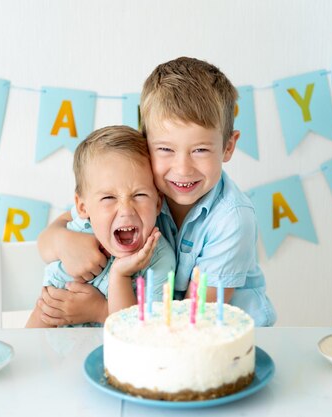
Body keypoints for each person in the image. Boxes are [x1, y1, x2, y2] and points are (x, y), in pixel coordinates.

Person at [36, 57, 276, 326]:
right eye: (165, 149)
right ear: (145, 143)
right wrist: (63, 242)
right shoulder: (136, 191)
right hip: (155, 337)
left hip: (224, 341)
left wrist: (101, 312)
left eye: (200, 150)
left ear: (228, 147)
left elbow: (195, 320)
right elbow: (51, 237)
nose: (182, 168)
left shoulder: (232, 219)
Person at [26, 125, 175, 328]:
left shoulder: (159, 259)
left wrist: (103, 304)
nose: (126, 210)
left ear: (158, 203)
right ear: (83, 206)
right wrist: (62, 242)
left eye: (139, 195)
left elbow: (139, 334)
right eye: (108, 197)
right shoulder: (77, 231)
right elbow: (44, 316)